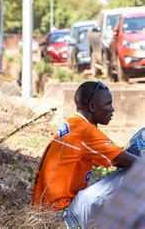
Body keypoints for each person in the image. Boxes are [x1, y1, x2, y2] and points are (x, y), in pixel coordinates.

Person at [32, 81, 138, 225]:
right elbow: (133, 163)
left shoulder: (73, 124)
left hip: (46, 213)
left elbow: (116, 159)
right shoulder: (86, 132)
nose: (112, 109)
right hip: (63, 216)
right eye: (108, 104)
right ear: (92, 106)